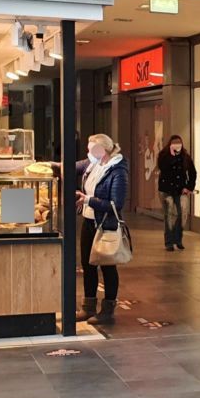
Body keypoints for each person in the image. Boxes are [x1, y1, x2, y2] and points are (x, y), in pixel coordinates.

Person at [75, 134, 129, 325]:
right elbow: (71, 166)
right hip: (89, 221)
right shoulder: (93, 164)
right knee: (88, 264)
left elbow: (116, 203)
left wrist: (88, 200)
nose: (88, 152)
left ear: (103, 150)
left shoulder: (118, 170)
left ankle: (107, 310)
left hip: (106, 224)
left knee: (107, 265)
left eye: (91, 149)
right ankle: (88, 307)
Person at [157, 134, 197, 251]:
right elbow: (163, 168)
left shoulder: (186, 157)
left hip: (181, 190)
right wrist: (172, 156)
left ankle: (178, 239)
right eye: (174, 143)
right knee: (169, 214)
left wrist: (189, 187)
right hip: (166, 190)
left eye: (179, 143)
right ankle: (169, 242)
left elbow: (193, 173)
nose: (177, 145)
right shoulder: (164, 156)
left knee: (182, 214)